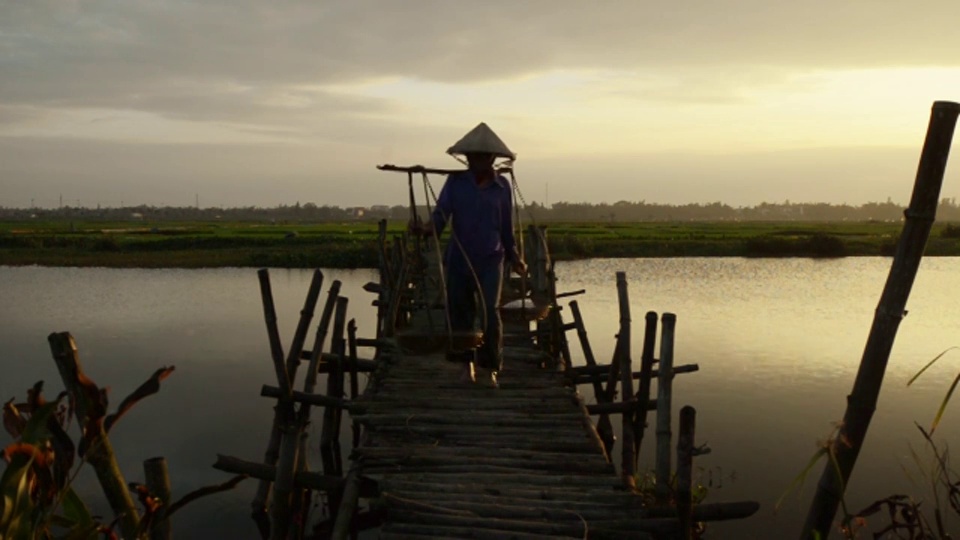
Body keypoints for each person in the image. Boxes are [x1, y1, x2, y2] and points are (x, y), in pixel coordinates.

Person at [412, 123, 527, 387]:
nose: (476, 161)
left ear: (491, 159)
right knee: (461, 313)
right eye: (472, 157)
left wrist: (515, 256)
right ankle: (467, 366)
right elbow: (441, 215)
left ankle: (490, 367)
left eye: (482, 157)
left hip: (491, 258)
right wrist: (426, 229)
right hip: (459, 258)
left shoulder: (502, 187)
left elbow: (506, 227)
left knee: (489, 312)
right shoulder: (456, 182)